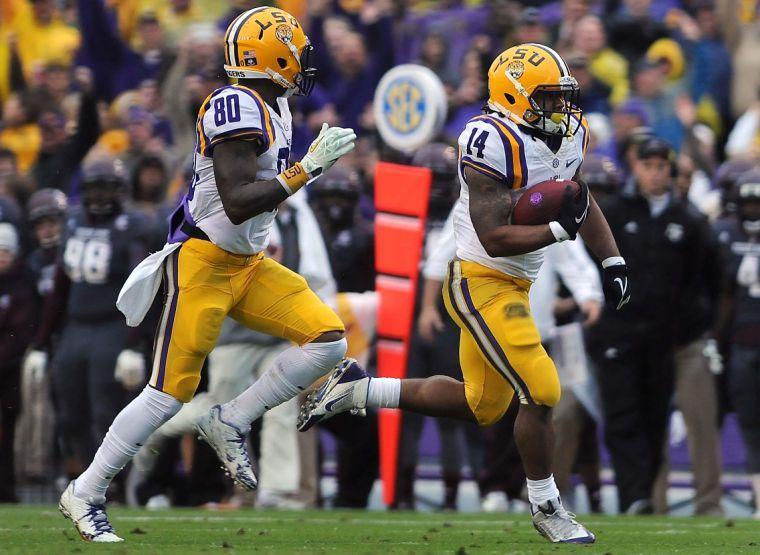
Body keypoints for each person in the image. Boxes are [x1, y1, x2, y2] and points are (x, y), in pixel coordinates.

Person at [300, 44, 631, 544]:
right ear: (513, 97)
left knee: (482, 406)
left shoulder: (567, 136)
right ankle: (547, 506)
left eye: (562, 97)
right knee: (542, 390)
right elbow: (495, 234)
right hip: (479, 277)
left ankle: (354, 389)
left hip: (519, 279)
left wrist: (611, 259)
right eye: (547, 98)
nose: (560, 109)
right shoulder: (488, 139)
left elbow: (579, 196)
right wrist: (561, 232)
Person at [54, 7, 356, 542]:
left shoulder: (273, 103)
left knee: (330, 340)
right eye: (297, 52)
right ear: (272, 57)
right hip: (203, 264)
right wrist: (306, 170)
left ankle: (231, 419)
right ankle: (86, 490)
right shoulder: (234, 103)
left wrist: (301, 171)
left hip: (248, 264)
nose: (306, 62)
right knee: (166, 394)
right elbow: (239, 203)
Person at [587, 138, 712, 515]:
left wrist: (685, 328)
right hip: (616, 333)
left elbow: (702, 282)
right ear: (635, 167)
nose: (655, 172)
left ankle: (641, 494)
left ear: (670, 170)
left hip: (663, 339)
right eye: (648, 165)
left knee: (655, 418)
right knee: (622, 416)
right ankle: (634, 497)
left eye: (661, 165)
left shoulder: (688, 221)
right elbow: (591, 268)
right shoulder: (611, 212)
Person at [23, 159, 152, 492]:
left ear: (120, 189)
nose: (100, 194)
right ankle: (91, 481)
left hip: (112, 326)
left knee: (105, 413)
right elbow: (60, 288)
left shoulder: (132, 225)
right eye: (95, 186)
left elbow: (141, 285)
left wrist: (133, 344)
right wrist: (41, 341)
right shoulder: (74, 222)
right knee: (69, 415)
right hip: (76, 328)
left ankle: (116, 485)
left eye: (107, 186)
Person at [714, 169, 760, 519]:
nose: (753, 210)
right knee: (750, 422)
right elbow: (723, 296)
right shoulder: (726, 233)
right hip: (743, 344)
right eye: (748, 203)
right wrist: (715, 342)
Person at [0, 223, 37, 502]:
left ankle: (8, 489)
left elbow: (21, 330)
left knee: (10, 433)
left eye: (6, 251)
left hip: (11, 370)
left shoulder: (24, 283)